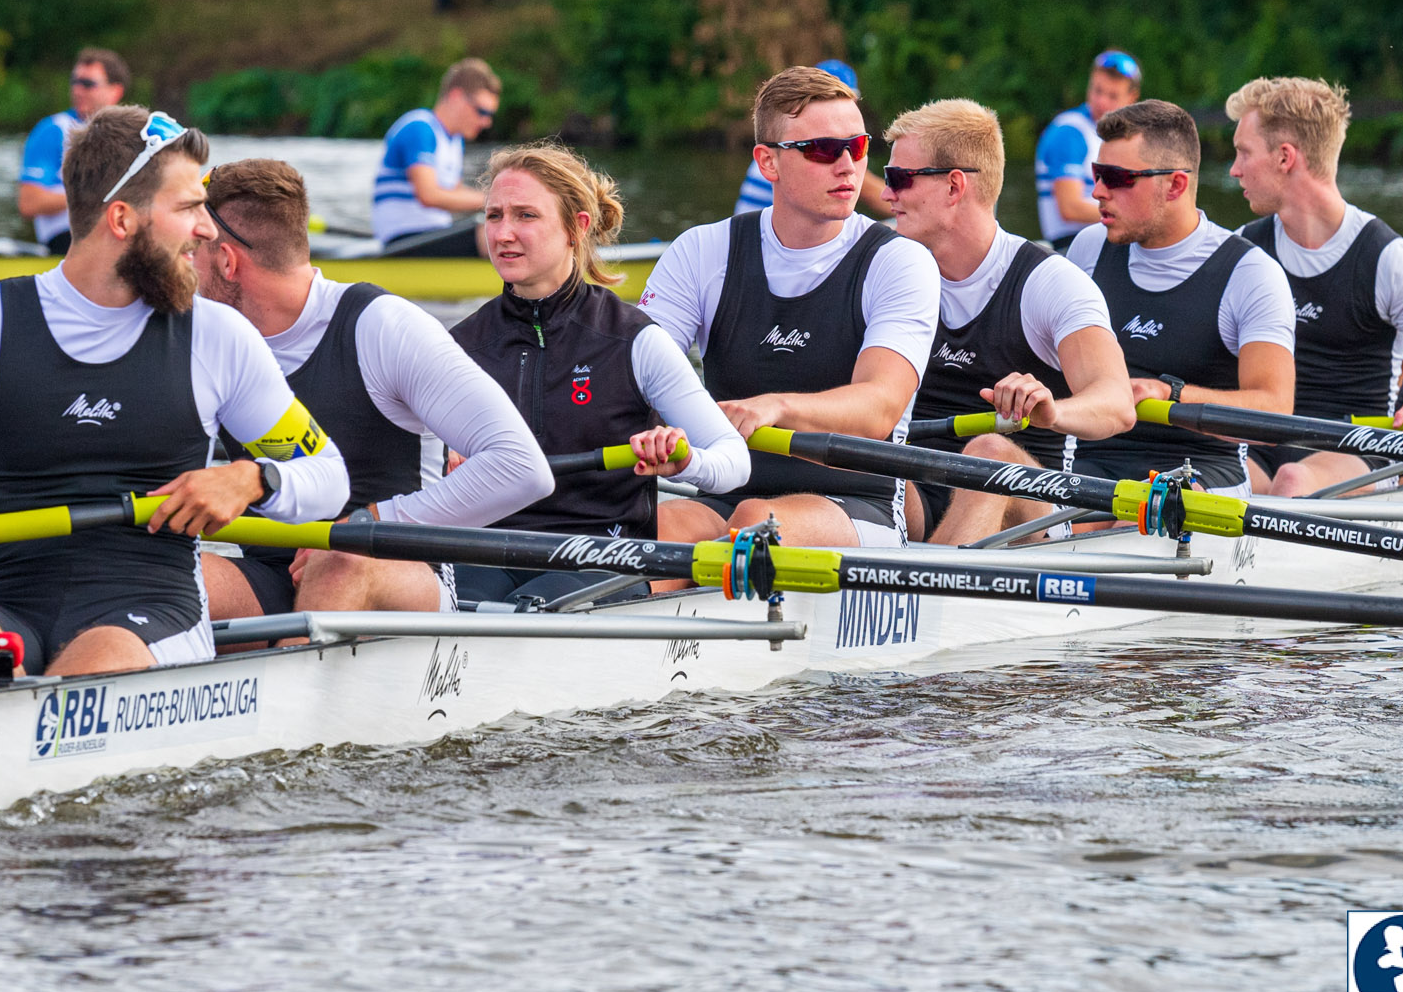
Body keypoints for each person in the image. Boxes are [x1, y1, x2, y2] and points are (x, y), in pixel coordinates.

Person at [0, 108, 350, 678]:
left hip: (153, 609)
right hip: (8, 601)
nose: (208, 230)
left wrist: (254, 478)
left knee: (89, 671)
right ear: (121, 219)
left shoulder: (216, 336)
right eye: (189, 208)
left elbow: (329, 478)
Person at [192, 159, 551, 618]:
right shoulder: (202, 342)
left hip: (397, 573)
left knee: (339, 561)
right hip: (272, 575)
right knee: (164, 573)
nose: (183, 267)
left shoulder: (381, 327)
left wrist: (369, 524)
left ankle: (295, 677)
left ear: (226, 261)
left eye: (191, 251)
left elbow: (523, 469)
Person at [638, 66, 942, 547]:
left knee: (756, 520)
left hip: (859, 501)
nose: (847, 166)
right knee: (649, 531)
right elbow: (638, 382)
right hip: (724, 488)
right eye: (823, 150)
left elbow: (880, 406)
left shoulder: (900, 261)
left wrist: (775, 407)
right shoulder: (702, 251)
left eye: (857, 147)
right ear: (768, 163)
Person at [452, 142, 750, 601]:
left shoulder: (634, 341)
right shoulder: (459, 347)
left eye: (526, 216)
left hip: (600, 553)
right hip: (489, 550)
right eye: (494, 216)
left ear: (577, 227)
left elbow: (734, 461)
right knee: (458, 599)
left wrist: (686, 461)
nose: (503, 233)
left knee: (529, 608)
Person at [878, 99, 1135, 546]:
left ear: (954, 187)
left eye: (900, 179)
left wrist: (1053, 411)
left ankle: (920, 600)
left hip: (1030, 509)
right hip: (918, 490)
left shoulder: (1048, 283)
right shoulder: (887, 273)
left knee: (989, 452)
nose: (885, 195)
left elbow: (1117, 404)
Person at [1223, 77, 1403, 497]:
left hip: (1354, 450)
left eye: (1243, 153)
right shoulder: (1244, 248)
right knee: (1204, 481)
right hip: (1261, 447)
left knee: (1292, 482)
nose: (1234, 169)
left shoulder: (1388, 261)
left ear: (1284, 157)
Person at [1064, 99, 1296, 495]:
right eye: (1096, 173)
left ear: (1175, 185)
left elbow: (1273, 413)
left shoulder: (1250, 273)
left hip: (1201, 469)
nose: (1097, 191)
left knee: (1137, 518)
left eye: (1116, 178)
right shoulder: (1088, 249)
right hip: (1093, 460)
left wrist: (1171, 394)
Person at [370, 57, 502, 256]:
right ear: (456, 96)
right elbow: (429, 195)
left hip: (430, 234)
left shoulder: (454, 140)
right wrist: (494, 201)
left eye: (490, 114)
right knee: (493, 233)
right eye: (481, 111)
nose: (486, 122)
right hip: (403, 240)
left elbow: (455, 193)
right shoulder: (420, 128)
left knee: (503, 228)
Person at [732, 59, 889, 219]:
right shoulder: (789, 157)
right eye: (823, 147)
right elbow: (880, 197)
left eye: (859, 144)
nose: (848, 167)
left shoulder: (781, 148)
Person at [17, 48, 131, 253]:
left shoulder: (133, 134)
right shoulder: (53, 130)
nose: (78, 90)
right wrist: (95, 195)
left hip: (117, 235)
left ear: (116, 91)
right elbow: (29, 203)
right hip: (67, 240)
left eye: (88, 84)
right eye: (75, 82)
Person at [1036, 50, 1143, 248]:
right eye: (1097, 90)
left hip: (1108, 240)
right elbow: (1070, 208)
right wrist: (1135, 215)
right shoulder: (1070, 132)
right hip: (1071, 245)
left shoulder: (1123, 138)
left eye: (1112, 96)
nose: (1102, 101)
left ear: (1132, 98)